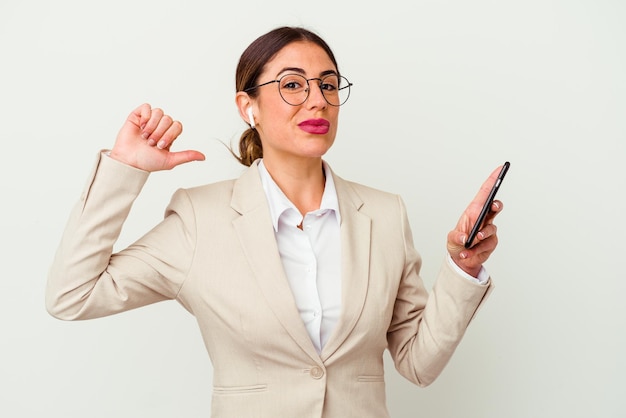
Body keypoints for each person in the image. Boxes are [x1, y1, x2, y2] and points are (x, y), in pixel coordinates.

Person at [46, 26, 504, 418]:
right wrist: (125, 168)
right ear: (249, 107)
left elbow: (418, 364)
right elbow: (72, 295)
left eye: (327, 84)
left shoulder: (384, 215)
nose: (317, 101)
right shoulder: (199, 218)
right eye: (291, 85)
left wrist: (462, 269)